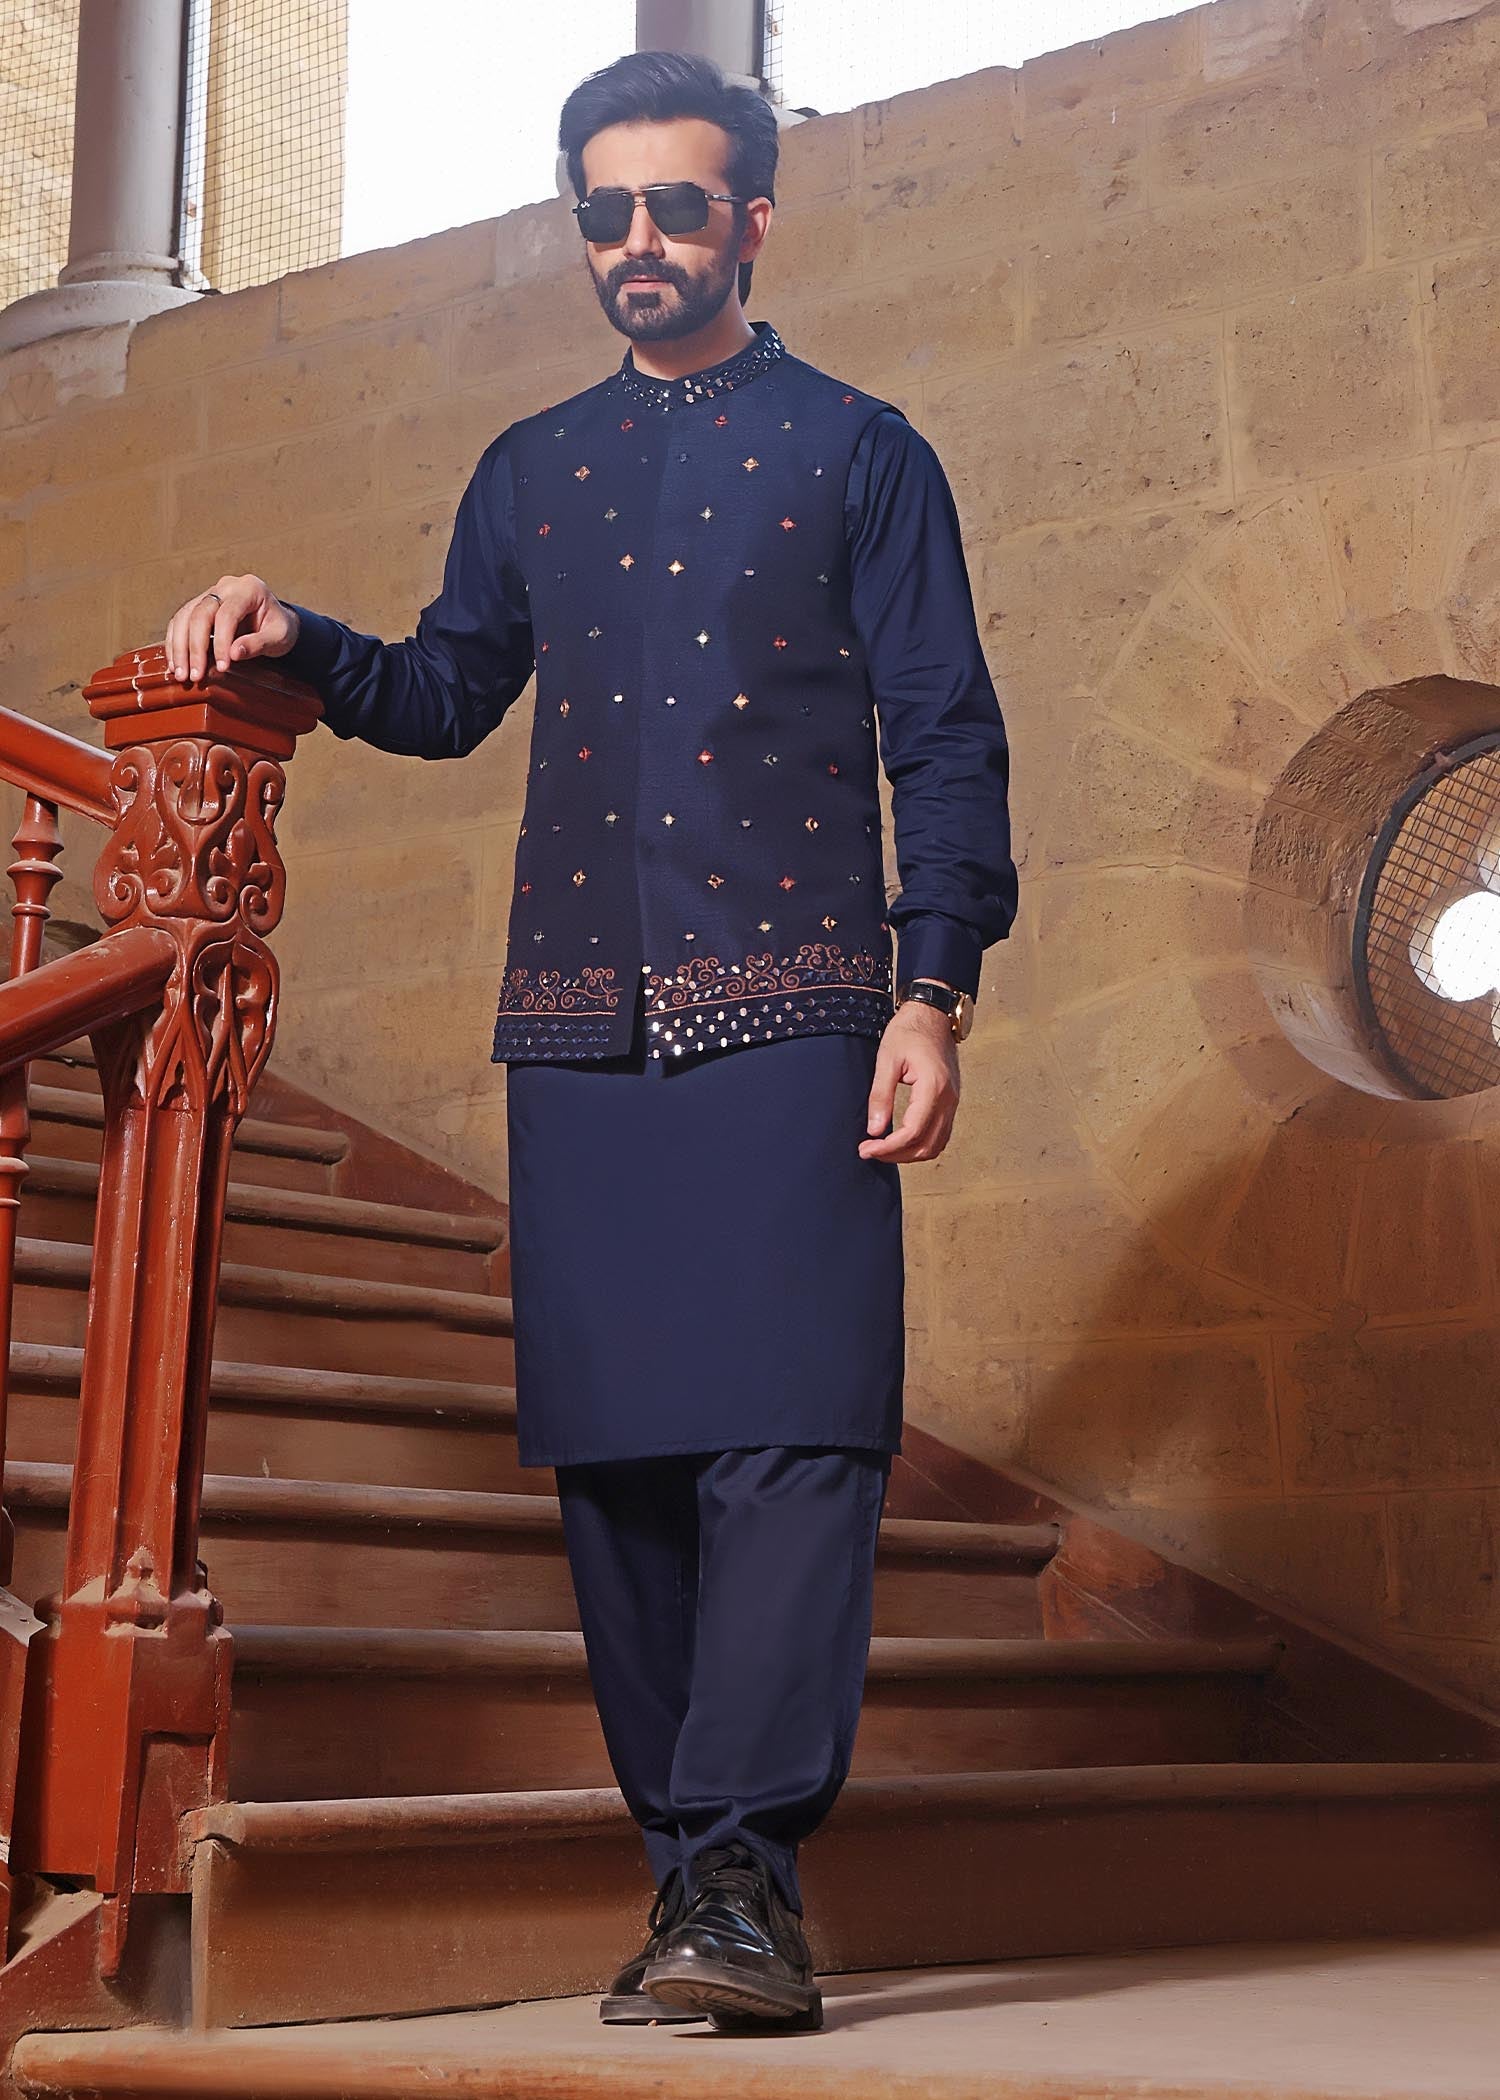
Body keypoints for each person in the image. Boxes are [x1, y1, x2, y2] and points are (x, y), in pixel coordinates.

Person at [162, 48, 1017, 2037]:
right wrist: (293, 632)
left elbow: (946, 732)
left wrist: (933, 985)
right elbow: (446, 692)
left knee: (795, 1436)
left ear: (751, 221)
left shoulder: (863, 452)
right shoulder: (532, 468)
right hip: (576, 1027)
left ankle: (745, 1874)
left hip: (800, 1011)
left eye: (677, 206)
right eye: (605, 211)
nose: (639, 240)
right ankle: (688, 1878)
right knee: (619, 1462)